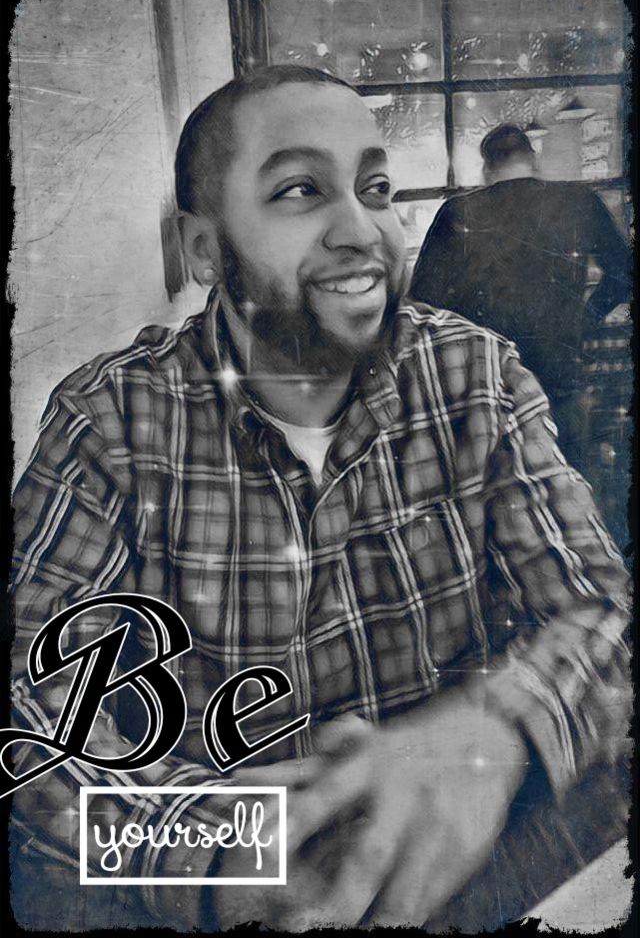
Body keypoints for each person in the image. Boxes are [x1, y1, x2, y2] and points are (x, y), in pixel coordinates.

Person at [9, 67, 630, 931]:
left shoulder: (474, 375)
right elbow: (30, 703)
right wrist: (221, 849)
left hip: (474, 877)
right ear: (202, 248)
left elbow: (601, 612)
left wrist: (491, 733)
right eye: (300, 190)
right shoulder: (113, 420)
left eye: (374, 189)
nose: (361, 230)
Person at [409, 123, 632, 470]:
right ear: (533, 159)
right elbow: (624, 274)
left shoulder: (457, 213)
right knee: (566, 476)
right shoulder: (578, 201)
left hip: (484, 379)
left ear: (487, 168)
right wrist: (584, 317)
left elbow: (423, 302)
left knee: (492, 482)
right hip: (559, 371)